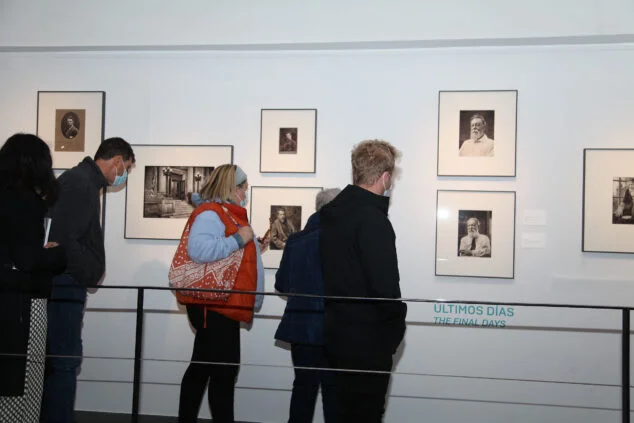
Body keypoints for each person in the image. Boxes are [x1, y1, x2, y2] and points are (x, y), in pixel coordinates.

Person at [40, 137, 135, 423]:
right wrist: (87, 271)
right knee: (65, 361)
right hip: (66, 283)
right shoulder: (81, 183)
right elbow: (64, 241)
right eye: (126, 169)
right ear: (117, 160)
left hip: (67, 281)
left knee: (61, 360)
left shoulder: (82, 181)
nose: (124, 176)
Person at [319, 139, 407, 422]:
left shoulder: (332, 215)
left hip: (337, 333)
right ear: (385, 177)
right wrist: (395, 328)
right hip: (368, 341)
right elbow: (385, 288)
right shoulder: (373, 218)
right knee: (366, 414)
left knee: (343, 412)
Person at [178, 164, 265, 423]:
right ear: (232, 187)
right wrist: (239, 240)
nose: (245, 193)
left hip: (221, 304)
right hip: (213, 305)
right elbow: (198, 250)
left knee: (210, 370)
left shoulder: (224, 214)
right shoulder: (210, 214)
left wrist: (250, 246)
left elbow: (224, 249)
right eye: (243, 188)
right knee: (217, 371)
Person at [0, 134, 66, 422]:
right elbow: (28, 260)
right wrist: (56, 255)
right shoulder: (25, 201)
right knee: (22, 391)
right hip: (21, 308)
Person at [274, 188, 341, 423]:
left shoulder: (295, 241)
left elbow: (281, 284)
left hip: (301, 327)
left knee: (303, 389)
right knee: (334, 394)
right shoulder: (344, 241)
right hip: (335, 329)